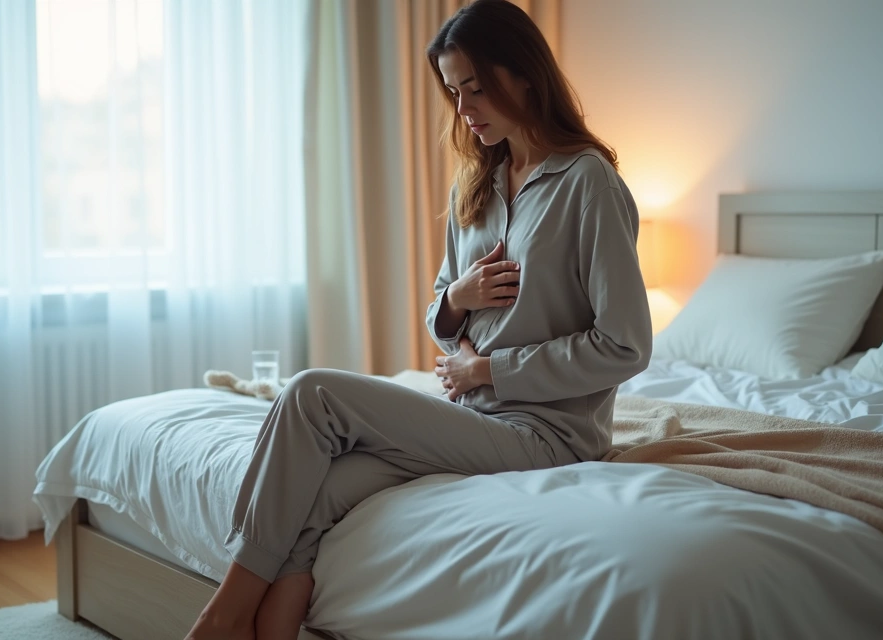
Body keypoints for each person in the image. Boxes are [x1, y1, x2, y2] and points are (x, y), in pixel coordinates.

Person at [186, 1, 651, 638]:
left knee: (313, 393)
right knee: (317, 493)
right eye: (454, 92)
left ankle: (221, 616)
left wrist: (488, 367)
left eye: (476, 88)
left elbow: (625, 346)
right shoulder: (482, 184)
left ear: (524, 75)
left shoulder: (588, 183)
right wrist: (458, 296)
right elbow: (440, 318)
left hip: (546, 436)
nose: (463, 110)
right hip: (471, 417)